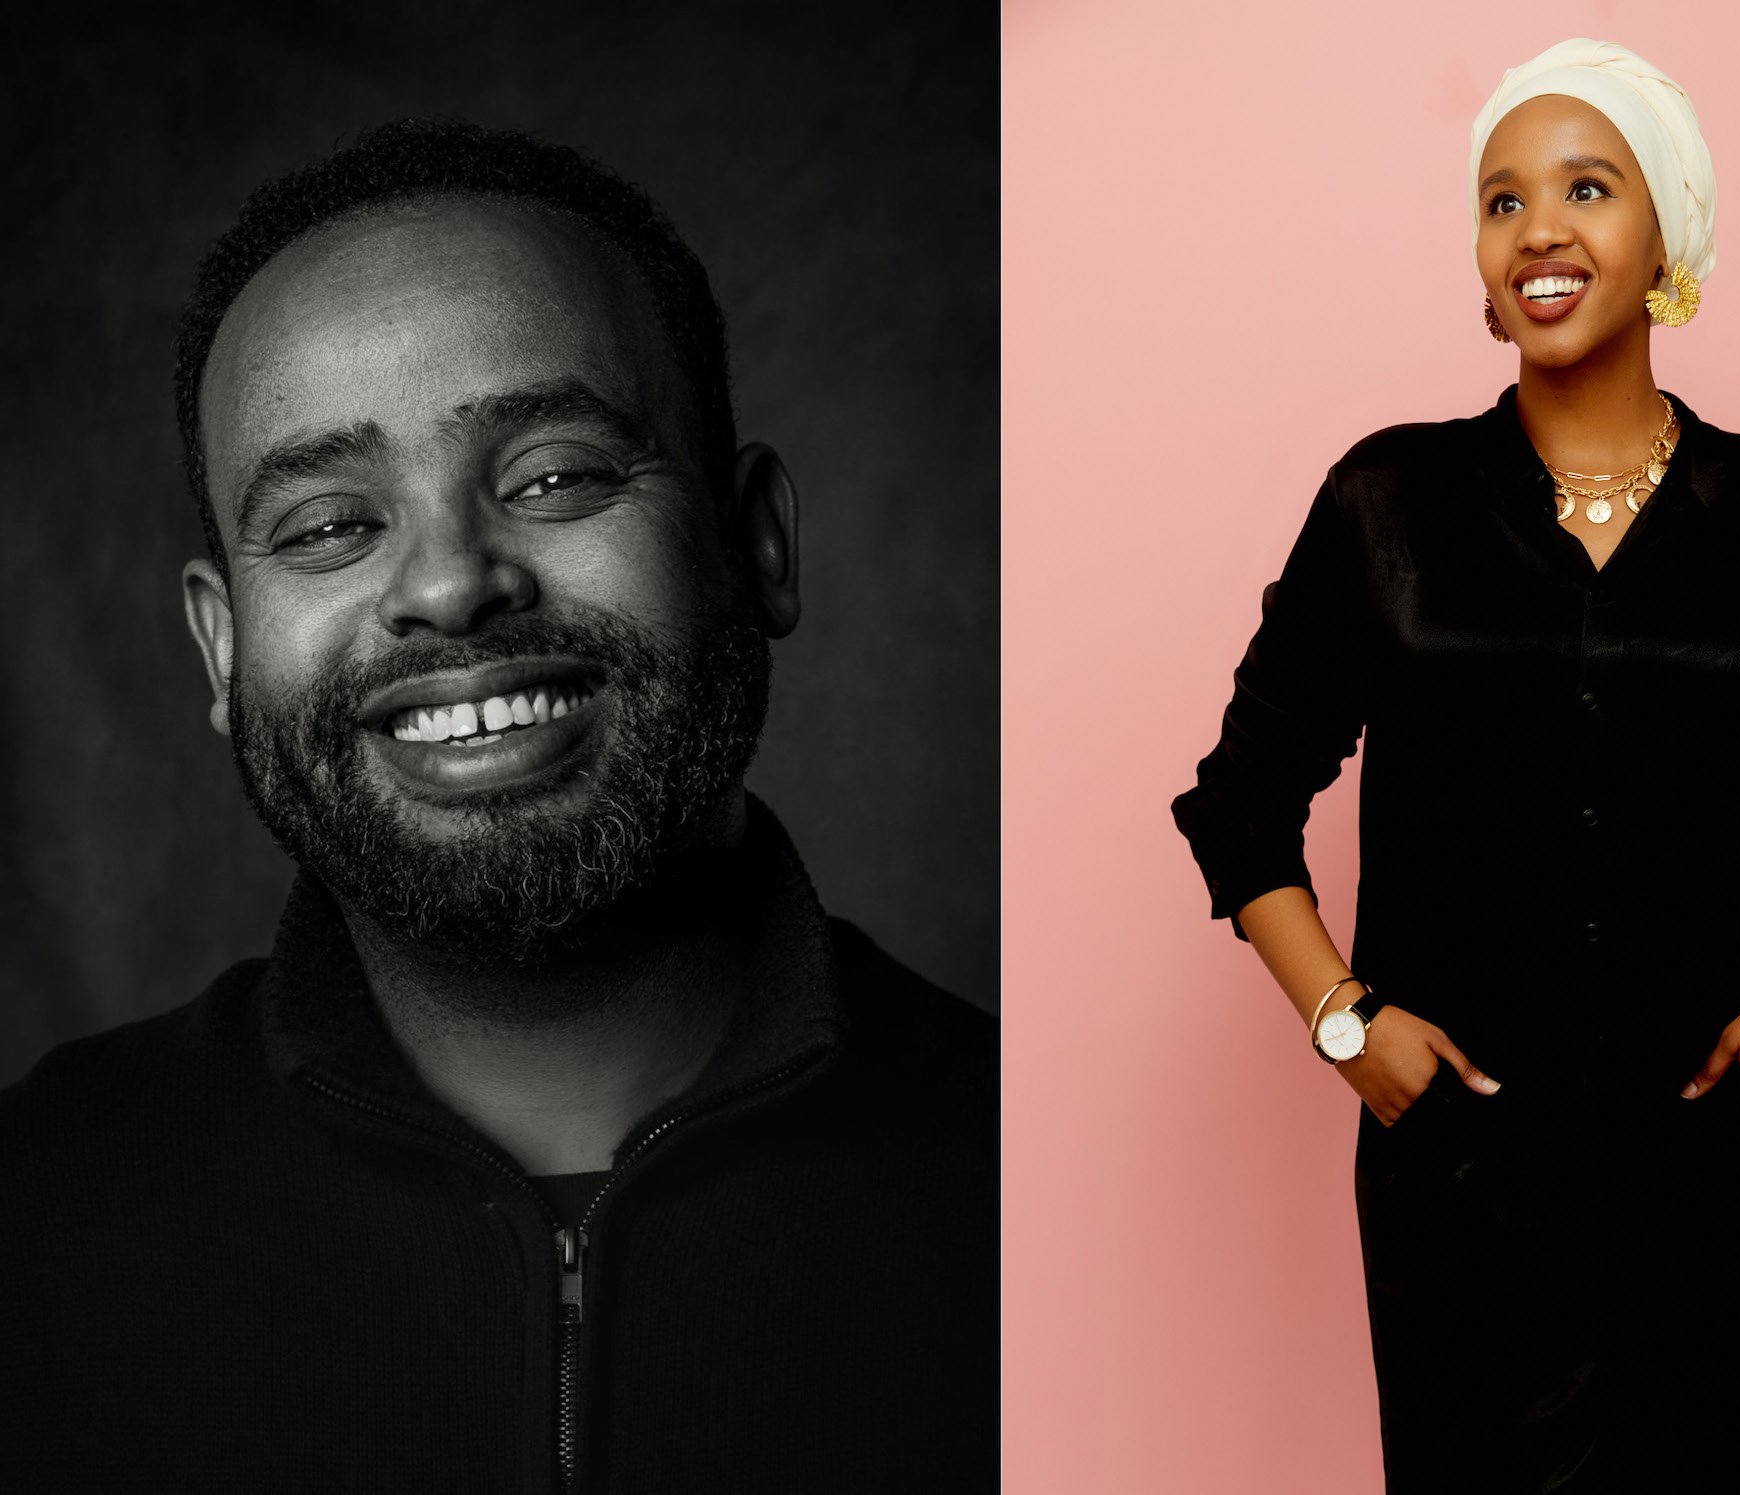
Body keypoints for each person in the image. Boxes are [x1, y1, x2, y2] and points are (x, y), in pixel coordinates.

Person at [0, 119, 997, 1492]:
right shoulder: (38, 1218)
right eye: (330, 524)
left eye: (555, 477)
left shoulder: (1046, 1193)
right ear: (222, 651)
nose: (452, 583)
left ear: (755, 541)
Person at [1170, 39, 1740, 1495]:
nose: (1540, 228)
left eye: (1589, 188)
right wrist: (1348, 1028)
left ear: (1666, 237)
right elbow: (1241, 807)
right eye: (1502, 197)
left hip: (1719, 1156)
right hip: (1461, 1161)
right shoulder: (1385, 504)